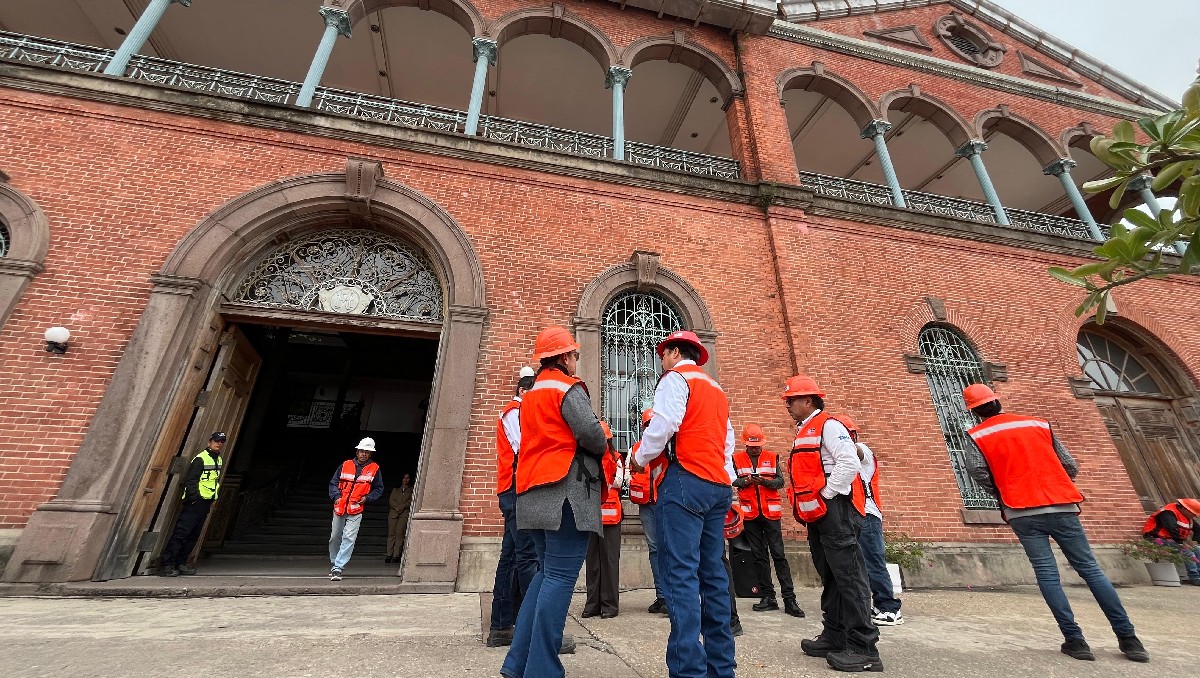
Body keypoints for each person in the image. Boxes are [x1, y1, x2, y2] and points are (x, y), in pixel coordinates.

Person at [961, 383, 1149, 663]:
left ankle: (1075, 640)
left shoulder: (977, 434)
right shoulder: (1038, 424)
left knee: (1047, 575)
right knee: (1091, 570)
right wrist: (1056, 485)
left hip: (1021, 511)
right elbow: (1069, 464)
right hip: (1061, 505)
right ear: (997, 402)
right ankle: (1129, 640)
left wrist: (1003, 492)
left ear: (974, 411)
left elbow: (976, 469)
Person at [501, 326, 607, 678]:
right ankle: (542, 669)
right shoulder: (567, 387)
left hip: (532, 493)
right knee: (560, 578)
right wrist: (603, 436)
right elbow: (591, 434)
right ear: (564, 357)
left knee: (545, 576)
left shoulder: (528, 395)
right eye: (574, 355)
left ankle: (518, 663)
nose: (576, 360)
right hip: (565, 493)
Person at [631, 330, 736, 678]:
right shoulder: (716, 390)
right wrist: (727, 485)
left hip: (685, 481)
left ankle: (688, 670)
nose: (661, 361)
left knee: (680, 576)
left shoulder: (675, 379)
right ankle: (722, 668)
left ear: (675, 352)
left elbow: (663, 426)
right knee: (714, 576)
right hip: (717, 486)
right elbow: (727, 444)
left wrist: (640, 459)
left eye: (663, 354)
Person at [784, 375, 882, 673]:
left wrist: (826, 494)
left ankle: (864, 647)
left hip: (836, 512)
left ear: (809, 400)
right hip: (821, 516)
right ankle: (835, 634)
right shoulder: (805, 430)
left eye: (792, 400)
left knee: (849, 578)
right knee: (832, 576)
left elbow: (849, 462)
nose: (788, 405)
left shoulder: (829, 425)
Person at [832, 413, 904, 627]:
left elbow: (858, 452)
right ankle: (874, 606)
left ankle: (889, 608)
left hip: (868, 515)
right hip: (855, 514)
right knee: (859, 564)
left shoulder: (861, 449)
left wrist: (838, 439)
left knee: (873, 562)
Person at [487, 367, 540, 648]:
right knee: (528, 556)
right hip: (517, 489)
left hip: (516, 489)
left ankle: (502, 624)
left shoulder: (517, 411)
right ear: (523, 391)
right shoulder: (515, 412)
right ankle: (534, 626)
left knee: (511, 556)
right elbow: (526, 446)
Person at [733, 423, 803, 617]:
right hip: (751, 515)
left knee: (779, 555)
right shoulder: (736, 459)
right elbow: (733, 481)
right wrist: (746, 481)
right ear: (745, 444)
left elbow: (780, 482)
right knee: (759, 556)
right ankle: (768, 597)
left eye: (757, 445)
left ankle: (790, 599)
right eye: (751, 445)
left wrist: (764, 481)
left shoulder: (772, 457)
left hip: (771, 514)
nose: (755, 448)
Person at [159, 432, 226, 576]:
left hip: (206, 502)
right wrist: (194, 498)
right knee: (182, 533)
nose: (218, 443)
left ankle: (181, 562)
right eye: (216, 441)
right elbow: (191, 480)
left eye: (221, 441)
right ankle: (167, 563)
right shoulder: (201, 458)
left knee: (193, 535)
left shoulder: (218, 460)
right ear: (209, 442)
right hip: (195, 502)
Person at [628, 408, 668, 615]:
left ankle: (670, 596)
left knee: (669, 549)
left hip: (665, 505)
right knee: (654, 549)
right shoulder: (637, 449)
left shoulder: (667, 450)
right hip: (646, 505)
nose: (650, 428)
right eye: (647, 425)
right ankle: (661, 595)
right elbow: (629, 474)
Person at [328, 437, 384, 581]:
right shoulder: (345, 465)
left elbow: (379, 488)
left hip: (356, 508)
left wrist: (367, 498)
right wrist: (336, 497)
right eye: (362, 451)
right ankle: (334, 563)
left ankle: (338, 567)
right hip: (340, 507)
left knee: (349, 538)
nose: (364, 454)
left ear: (371, 454)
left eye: (367, 452)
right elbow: (333, 483)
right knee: (334, 537)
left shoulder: (374, 469)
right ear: (357, 451)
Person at [583, 421, 624, 619]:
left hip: (611, 517)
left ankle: (609, 606)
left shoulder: (616, 458)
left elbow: (618, 481)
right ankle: (592, 604)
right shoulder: (587, 460)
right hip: (591, 516)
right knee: (592, 562)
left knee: (609, 562)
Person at [1141, 498, 1200, 585]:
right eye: (1193, 514)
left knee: (1198, 549)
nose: (1194, 516)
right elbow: (1172, 529)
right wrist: (1181, 543)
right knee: (1188, 552)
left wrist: (1196, 541)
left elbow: (1198, 529)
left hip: (1173, 540)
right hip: (1156, 539)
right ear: (1185, 509)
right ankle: (1194, 578)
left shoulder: (1187, 516)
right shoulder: (1168, 513)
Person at [385, 472, 413, 564]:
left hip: (403, 514)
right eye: (404, 477)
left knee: (399, 534)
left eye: (407, 478)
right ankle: (389, 555)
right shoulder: (395, 489)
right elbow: (391, 500)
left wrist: (401, 507)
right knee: (391, 534)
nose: (406, 479)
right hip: (393, 513)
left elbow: (410, 501)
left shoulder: (411, 490)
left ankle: (396, 555)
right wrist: (396, 507)